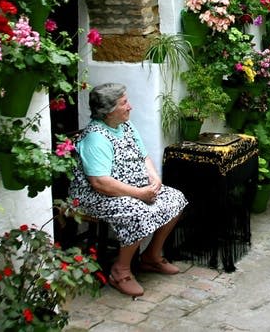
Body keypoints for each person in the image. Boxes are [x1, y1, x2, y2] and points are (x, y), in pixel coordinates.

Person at [70, 83, 188, 298]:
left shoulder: (125, 126)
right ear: (108, 111)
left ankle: (151, 257)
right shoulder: (96, 137)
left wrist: (154, 179)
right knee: (136, 211)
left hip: (132, 187)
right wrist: (139, 193)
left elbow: (144, 157)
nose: (130, 107)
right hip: (96, 196)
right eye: (124, 103)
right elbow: (100, 183)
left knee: (175, 198)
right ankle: (120, 271)